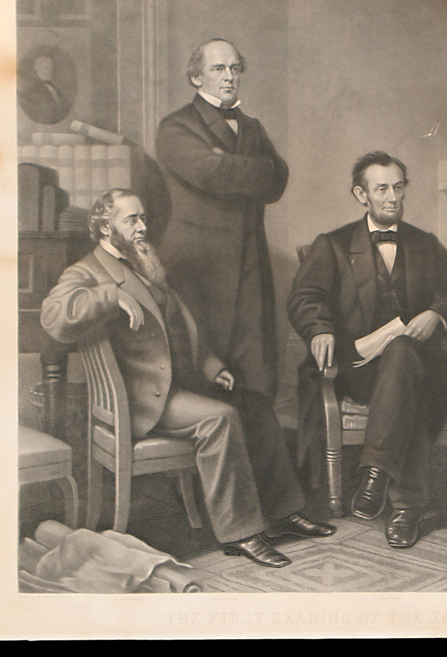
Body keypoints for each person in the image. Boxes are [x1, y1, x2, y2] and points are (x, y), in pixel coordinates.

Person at [41, 189, 334, 568]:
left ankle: (283, 513)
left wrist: (214, 367)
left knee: (255, 404)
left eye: (142, 218)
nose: (142, 227)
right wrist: (109, 295)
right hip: (143, 398)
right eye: (131, 220)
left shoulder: (142, 263)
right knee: (220, 418)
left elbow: (180, 327)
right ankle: (241, 533)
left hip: (177, 385)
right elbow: (53, 315)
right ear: (103, 225)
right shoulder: (86, 271)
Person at [287, 152, 447, 549]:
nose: (393, 197)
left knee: (402, 355)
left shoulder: (424, 245)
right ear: (361, 195)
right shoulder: (334, 245)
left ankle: (375, 473)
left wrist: (436, 314)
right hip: (357, 369)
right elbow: (304, 297)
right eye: (382, 189)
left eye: (398, 187)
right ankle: (407, 506)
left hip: (416, 368)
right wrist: (319, 329)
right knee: (399, 372)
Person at [155, 38, 288, 399]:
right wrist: (253, 169)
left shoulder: (253, 127)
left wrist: (230, 165)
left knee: (256, 380)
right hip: (197, 269)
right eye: (218, 69)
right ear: (197, 78)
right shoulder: (176, 127)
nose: (229, 77)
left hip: (249, 265)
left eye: (234, 68)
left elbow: (278, 180)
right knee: (203, 376)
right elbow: (212, 174)